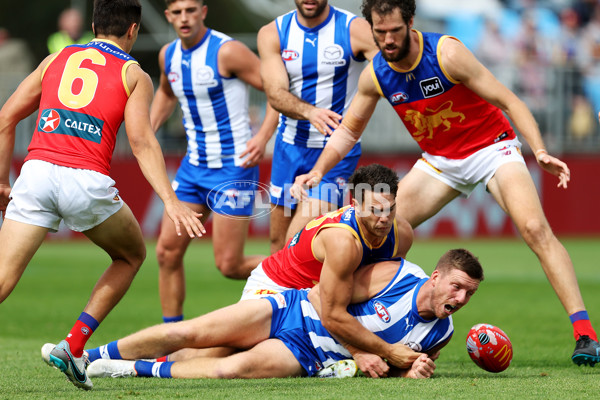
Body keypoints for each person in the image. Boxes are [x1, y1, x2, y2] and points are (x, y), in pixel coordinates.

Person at [291, 0, 600, 367]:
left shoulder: (446, 52)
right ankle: (322, 316)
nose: (387, 40)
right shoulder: (375, 73)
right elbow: (348, 131)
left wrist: (540, 150)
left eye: (394, 31)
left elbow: (508, 99)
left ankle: (585, 334)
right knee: (371, 227)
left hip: (491, 148)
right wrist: (318, 171)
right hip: (440, 162)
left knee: (535, 229)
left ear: (410, 23)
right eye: (380, 32)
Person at [0, 0, 205, 390]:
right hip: (86, 182)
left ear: (93, 24)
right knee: (131, 255)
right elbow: (143, 142)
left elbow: (6, 118)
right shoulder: (134, 73)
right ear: (133, 30)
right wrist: (171, 200)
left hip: (37, 173)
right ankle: (74, 344)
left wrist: (0, 183)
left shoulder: (56, 57)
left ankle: (73, 351)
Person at [80, 249, 484, 379]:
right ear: (435, 276)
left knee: (228, 370)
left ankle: (128, 370)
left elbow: (394, 364)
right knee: (192, 334)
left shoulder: (441, 333)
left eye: (469, 293)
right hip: (291, 309)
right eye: (457, 286)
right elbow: (321, 296)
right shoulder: (395, 275)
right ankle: (89, 356)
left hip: (310, 355)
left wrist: (409, 372)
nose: (461, 297)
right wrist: (360, 350)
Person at [151, 0, 279, 324]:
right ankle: (171, 338)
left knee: (229, 265)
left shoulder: (227, 51)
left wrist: (263, 136)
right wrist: (146, 130)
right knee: (166, 252)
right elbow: (167, 91)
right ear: (168, 16)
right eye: (177, 12)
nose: (184, 18)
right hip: (193, 169)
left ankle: (303, 267)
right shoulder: (169, 55)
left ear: (203, 12)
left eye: (190, 10)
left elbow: (277, 90)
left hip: (233, 168)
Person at [242, 163, 415, 375]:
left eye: (390, 208)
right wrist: (359, 351)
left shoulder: (402, 234)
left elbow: (388, 292)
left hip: (313, 300)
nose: (385, 218)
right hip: (274, 287)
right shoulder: (343, 241)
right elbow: (331, 312)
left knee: (274, 361)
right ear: (356, 205)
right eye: (375, 210)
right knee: (240, 359)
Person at [257, 0, 379, 253]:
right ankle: (280, 293)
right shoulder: (273, 33)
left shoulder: (354, 29)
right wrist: (308, 111)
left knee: (297, 244)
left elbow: (390, 70)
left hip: (334, 153)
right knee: (278, 247)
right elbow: (274, 93)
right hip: (288, 148)